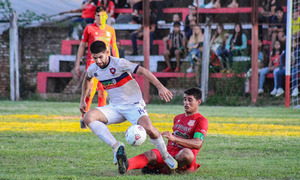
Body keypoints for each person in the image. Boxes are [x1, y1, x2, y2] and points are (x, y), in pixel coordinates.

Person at [80, 40, 178, 171]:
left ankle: (166, 156)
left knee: (149, 129)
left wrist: (160, 87)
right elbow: (87, 80)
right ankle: (116, 147)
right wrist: (83, 100)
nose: (98, 61)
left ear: (107, 53)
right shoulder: (93, 69)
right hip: (115, 107)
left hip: (134, 106)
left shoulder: (119, 63)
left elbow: (143, 71)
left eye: (100, 57)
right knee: (88, 117)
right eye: (95, 58)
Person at [116, 87, 208, 174]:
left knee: (186, 154)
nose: (186, 103)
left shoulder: (201, 120)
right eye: (185, 99)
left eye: (190, 100)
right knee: (150, 154)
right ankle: (126, 165)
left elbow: (197, 143)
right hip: (168, 152)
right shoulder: (178, 118)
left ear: (198, 102)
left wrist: (174, 138)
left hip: (183, 155)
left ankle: (161, 169)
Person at [75, 6, 119, 114]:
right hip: (92, 64)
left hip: (106, 65)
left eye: (103, 15)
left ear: (106, 16)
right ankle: (84, 116)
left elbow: (114, 47)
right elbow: (82, 46)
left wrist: (117, 62)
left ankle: (101, 118)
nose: (100, 18)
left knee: (103, 92)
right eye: (98, 16)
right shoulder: (89, 29)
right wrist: (77, 63)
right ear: (95, 16)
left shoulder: (110, 30)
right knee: (90, 91)